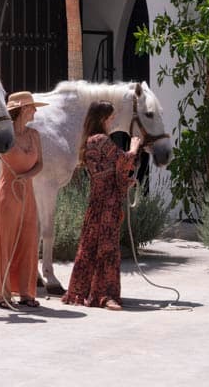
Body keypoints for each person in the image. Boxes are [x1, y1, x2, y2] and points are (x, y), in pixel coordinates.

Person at [62, 99, 142, 311]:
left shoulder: (89, 140)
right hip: (107, 202)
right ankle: (105, 295)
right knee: (107, 248)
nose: (113, 120)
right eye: (110, 116)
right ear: (102, 118)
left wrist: (125, 180)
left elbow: (110, 171)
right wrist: (134, 148)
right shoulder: (101, 140)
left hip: (97, 200)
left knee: (90, 246)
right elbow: (122, 161)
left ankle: (82, 291)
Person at [0, 90, 45, 308]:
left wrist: (26, 176)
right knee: (5, 241)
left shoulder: (34, 135)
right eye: (32, 107)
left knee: (29, 242)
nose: (35, 111)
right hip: (8, 193)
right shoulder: (5, 135)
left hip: (27, 194)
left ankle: (27, 293)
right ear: (22, 110)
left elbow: (40, 164)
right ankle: (3, 294)